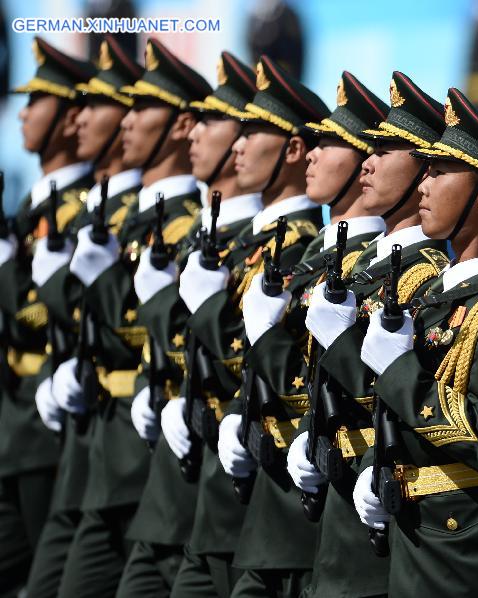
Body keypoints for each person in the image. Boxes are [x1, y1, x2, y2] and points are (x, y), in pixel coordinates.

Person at [351, 86, 478, 597]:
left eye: (441, 173)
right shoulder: (437, 297)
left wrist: (399, 371)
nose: (424, 183)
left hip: (468, 549)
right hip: (420, 535)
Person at [284, 70, 449, 598]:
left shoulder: (423, 276)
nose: (368, 162)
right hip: (335, 492)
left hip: (378, 503)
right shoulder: (364, 268)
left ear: (424, 168)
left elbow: (399, 397)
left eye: (387, 149)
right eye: (367, 147)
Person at [232, 70, 388, 597]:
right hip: (277, 498)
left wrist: (263, 337)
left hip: (325, 495)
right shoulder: (311, 257)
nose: (314, 155)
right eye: (314, 141)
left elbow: (351, 384)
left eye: (332, 143)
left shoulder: (372, 267)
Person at [35, 34, 146, 598]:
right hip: (85, 431)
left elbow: (135, 329)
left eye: (95, 105)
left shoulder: (142, 220)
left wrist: (53, 282)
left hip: (128, 436)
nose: (77, 118)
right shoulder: (88, 210)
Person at [113, 37, 210, 597]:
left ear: (179, 126)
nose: (129, 120)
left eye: (143, 108)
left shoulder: (187, 228)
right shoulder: (133, 218)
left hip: (173, 450)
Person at [163, 50, 262, 598]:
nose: (195, 135)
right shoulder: (207, 235)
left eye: (213, 122)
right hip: (185, 469)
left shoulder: (274, 249)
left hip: (242, 476)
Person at [0, 36, 94, 598]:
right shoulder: (31, 206)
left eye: (38, 102)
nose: (24, 113)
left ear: (70, 117)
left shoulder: (86, 211)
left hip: (49, 422)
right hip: (14, 422)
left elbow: (54, 314)